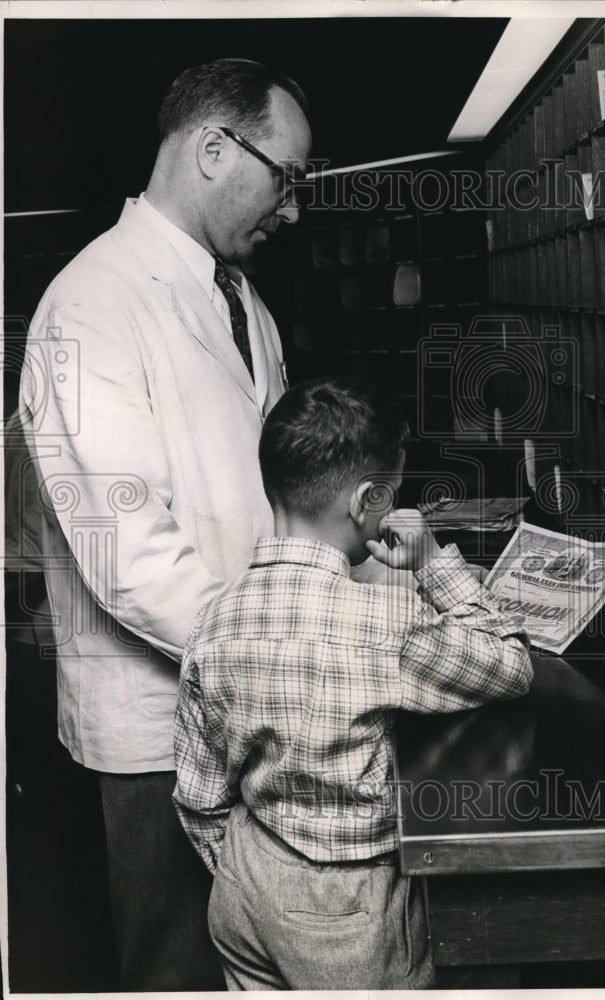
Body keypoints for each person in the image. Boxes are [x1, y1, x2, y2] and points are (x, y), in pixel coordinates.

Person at [18, 58, 311, 991]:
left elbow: (267, 489)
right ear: (215, 150)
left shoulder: (242, 304)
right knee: (175, 965)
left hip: (250, 698)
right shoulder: (90, 302)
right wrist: (281, 658)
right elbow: (129, 552)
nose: (294, 208)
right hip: (160, 726)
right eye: (288, 177)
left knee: (258, 959)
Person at [173, 376, 535, 990]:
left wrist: (247, 870)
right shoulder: (384, 622)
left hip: (242, 882)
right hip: (347, 909)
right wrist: (432, 564)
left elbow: (199, 796)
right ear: (369, 500)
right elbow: (511, 665)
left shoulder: (214, 618)